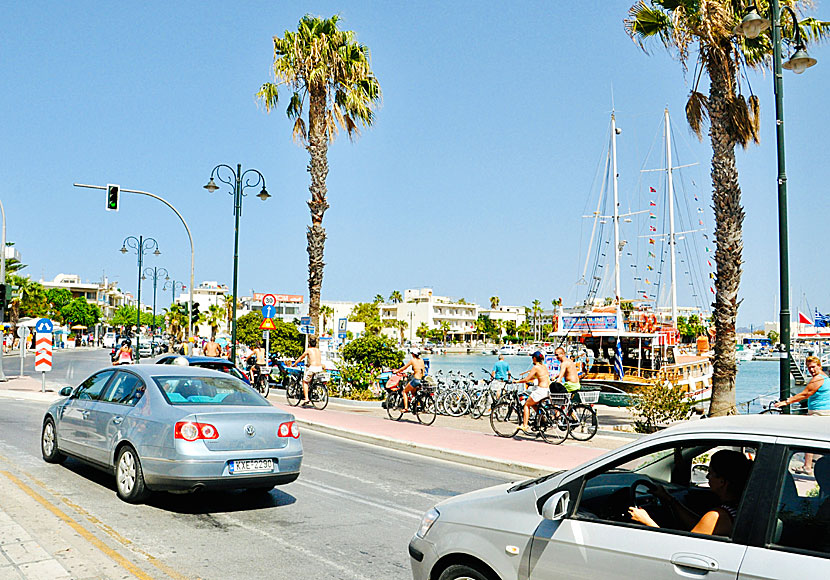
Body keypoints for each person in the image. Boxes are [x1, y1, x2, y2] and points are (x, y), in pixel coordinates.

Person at [629, 449, 752, 537]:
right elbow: (701, 527)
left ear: (722, 481)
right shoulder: (739, 507)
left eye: (711, 472)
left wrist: (646, 521)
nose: (708, 476)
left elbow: (682, 549)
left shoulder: (718, 516)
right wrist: (670, 500)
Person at [775, 356, 830, 474]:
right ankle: (808, 466)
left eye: (813, 367)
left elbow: (805, 394)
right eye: (809, 368)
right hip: (821, 413)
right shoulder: (825, 378)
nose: (811, 370)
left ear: (819, 366)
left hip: (819, 413)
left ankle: (807, 467)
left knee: (809, 438)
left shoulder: (818, 379)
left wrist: (786, 402)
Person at [513, 351, 550, 433]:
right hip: (547, 390)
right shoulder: (543, 366)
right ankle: (542, 419)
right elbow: (536, 376)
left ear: (534, 358)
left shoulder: (536, 367)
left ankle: (525, 425)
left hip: (541, 390)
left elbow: (527, 379)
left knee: (526, 404)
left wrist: (517, 381)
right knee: (534, 404)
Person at [394, 347, 426, 413]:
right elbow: (422, 370)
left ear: (413, 354)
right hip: (421, 380)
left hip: (415, 380)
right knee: (413, 392)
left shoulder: (412, 360)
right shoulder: (422, 360)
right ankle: (416, 405)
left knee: (404, 392)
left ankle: (406, 408)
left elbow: (404, 368)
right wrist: (414, 373)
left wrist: (397, 371)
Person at [293, 337, 322, 405]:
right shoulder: (318, 350)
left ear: (309, 344)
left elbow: (301, 357)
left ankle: (306, 399)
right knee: (312, 380)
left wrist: (295, 364)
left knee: (305, 382)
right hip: (319, 367)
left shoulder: (308, 350)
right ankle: (313, 389)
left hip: (313, 368)